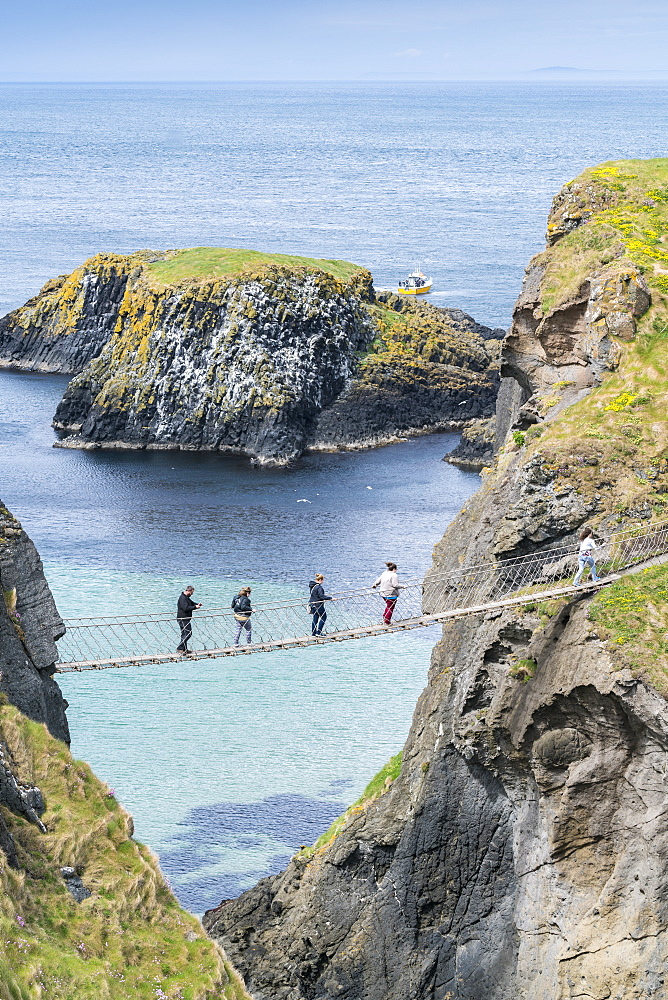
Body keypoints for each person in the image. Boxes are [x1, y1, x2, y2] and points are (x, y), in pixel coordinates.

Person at [176, 586, 202, 653]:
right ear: (189, 591)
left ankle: (184, 649)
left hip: (184, 618)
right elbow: (186, 608)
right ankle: (180, 647)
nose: (192, 594)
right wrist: (195, 607)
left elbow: (191, 603)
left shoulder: (186, 597)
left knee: (184, 633)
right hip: (183, 618)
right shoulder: (182, 598)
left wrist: (197, 604)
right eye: (192, 593)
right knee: (188, 633)